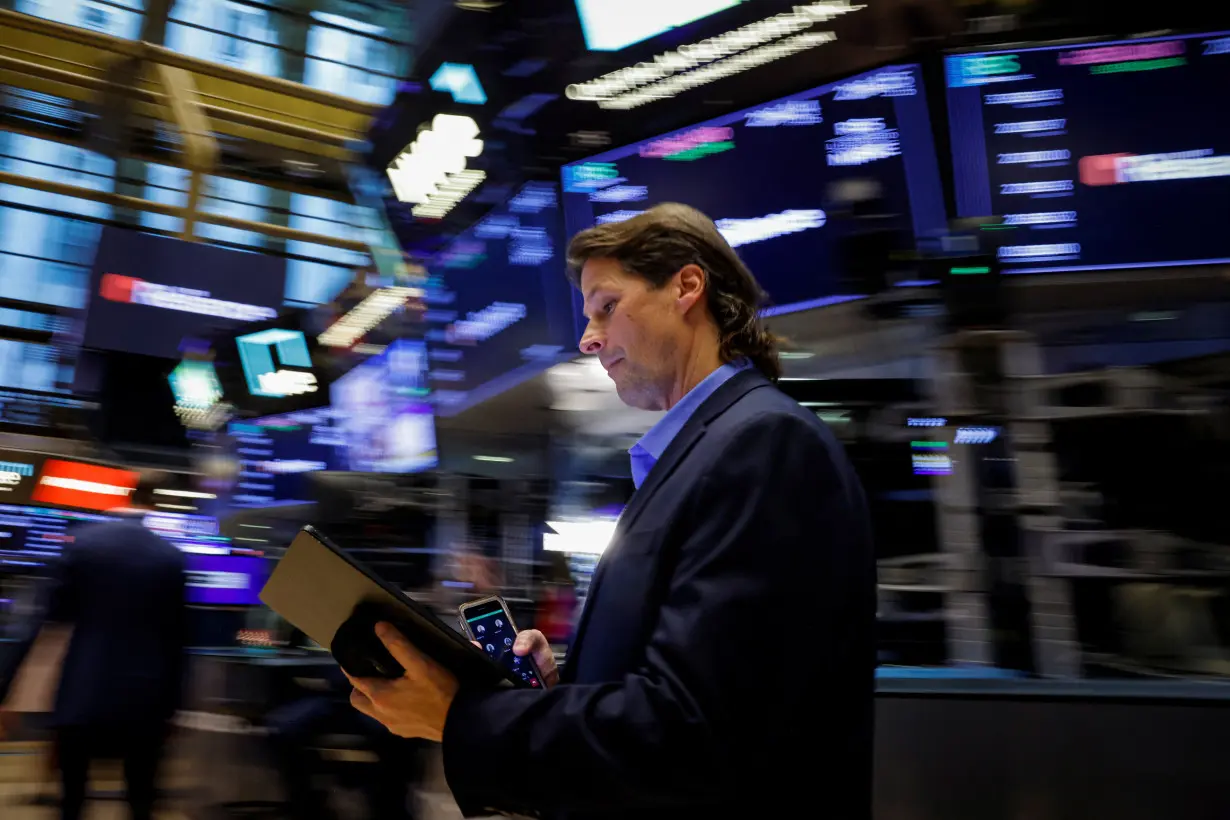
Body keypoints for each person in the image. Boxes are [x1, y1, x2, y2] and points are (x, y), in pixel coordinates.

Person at [344, 203, 877, 818]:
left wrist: (465, 719)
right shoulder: (705, 451)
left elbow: (688, 733)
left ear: (686, 286)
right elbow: (685, 688)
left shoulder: (762, 446)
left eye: (606, 306)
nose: (588, 337)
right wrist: (558, 691)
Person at [0, 472, 188, 820]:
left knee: (73, 801)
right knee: (141, 800)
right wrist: (175, 707)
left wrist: (5, 689)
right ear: (154, 504)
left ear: (124, 498)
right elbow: (179, 642)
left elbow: (36, 625)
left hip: (83, 692)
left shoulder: (82, 545)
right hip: (145, 700)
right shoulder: (170, 558)